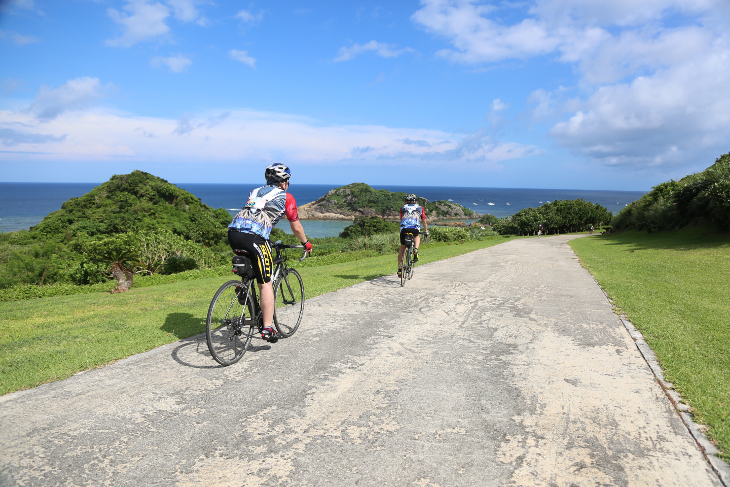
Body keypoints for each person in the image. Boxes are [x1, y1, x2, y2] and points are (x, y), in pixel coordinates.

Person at [227, 163, 312, 343]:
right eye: (288, 181)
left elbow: (253, 214)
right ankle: (267, 328)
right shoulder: (287, 197)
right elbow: (296, 226)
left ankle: (243, 289)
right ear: (284, 182)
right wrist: (306, 243)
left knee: (252, 267)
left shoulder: (256, 191)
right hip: (255, 238)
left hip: (234, 233)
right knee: (265, 283)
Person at [398, 194, 428, 278]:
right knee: (417, 236)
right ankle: (416, 250)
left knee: (402, 248)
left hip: (404, 229)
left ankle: (400, 268)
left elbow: (401, 219)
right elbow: (424, 221)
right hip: (414, 228)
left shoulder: (402, 207)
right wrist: (426, 231)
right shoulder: (420, 208)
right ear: (415, 201)